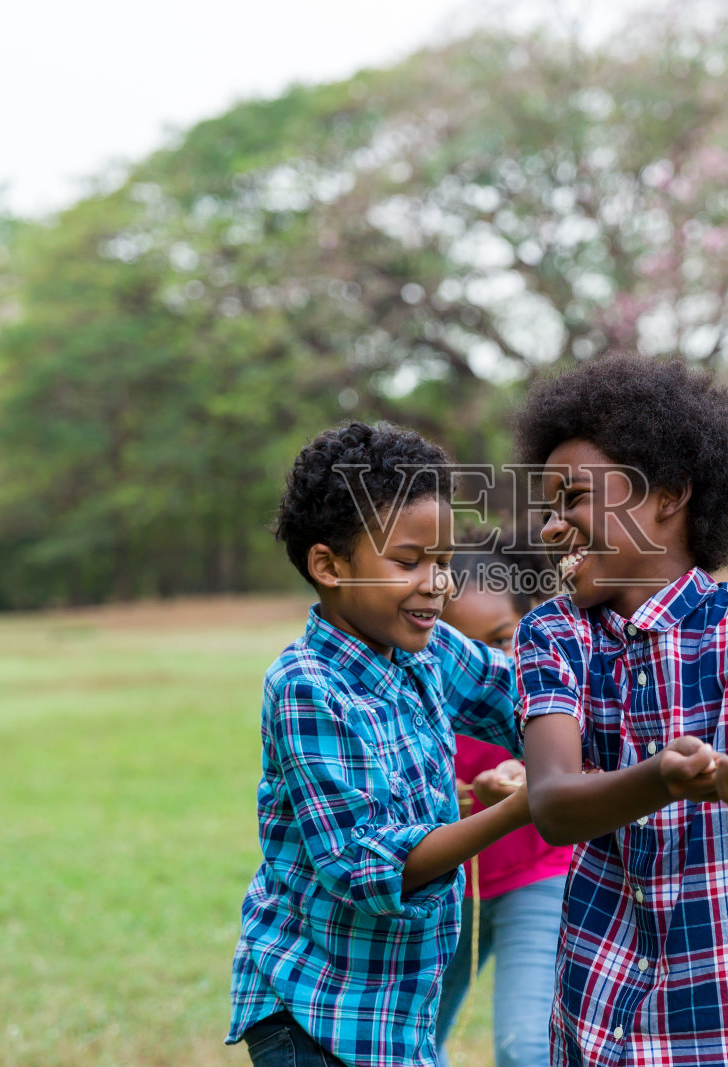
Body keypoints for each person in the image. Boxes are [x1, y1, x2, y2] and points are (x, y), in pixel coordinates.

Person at [512, 355, 728, 1067]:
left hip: (717, 1012)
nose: (555, 526)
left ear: (667, 496)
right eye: (549, 507)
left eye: (574, 498)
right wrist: (660, 777)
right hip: (592, 1004)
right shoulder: (551, 635)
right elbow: (555, 804)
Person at [226, 422, 531, 1067]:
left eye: (444, 563)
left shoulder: (430, 651)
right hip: (315, 1016)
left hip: (393, 1022)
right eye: (409, 562)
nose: (436, 585)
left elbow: (522, 699)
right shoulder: (307, 686)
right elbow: (367, 868)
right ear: (329, 566)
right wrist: (515, 811)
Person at [434, 534, 573, 1067]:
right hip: (444, 890)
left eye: (500, 639)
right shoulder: (415, 697)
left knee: (526, 1047)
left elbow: (579, 765)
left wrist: (533, 772)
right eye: (459, 649)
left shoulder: (547, 688)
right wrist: (470, 799)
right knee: (407, 1042)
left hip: (537, 877)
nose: (484, 664)